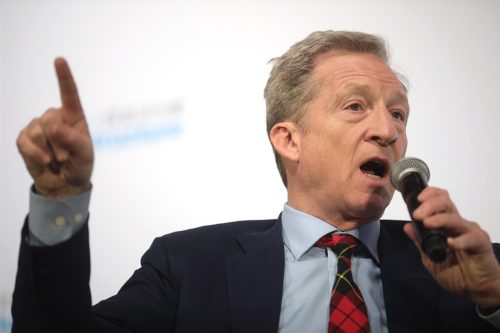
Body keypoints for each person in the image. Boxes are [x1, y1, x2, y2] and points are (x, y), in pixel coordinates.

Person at [11, 30, 500, 332]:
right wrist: (60, 200)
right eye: (355, 106)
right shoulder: (186, 266)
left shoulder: (477, 270)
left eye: (398, 114)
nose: (387, 130)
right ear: (289, 140)